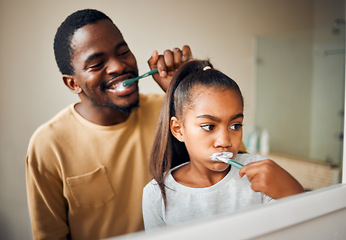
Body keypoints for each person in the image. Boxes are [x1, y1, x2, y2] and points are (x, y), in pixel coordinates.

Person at [25, 9, 193, 240]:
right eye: (96, 64)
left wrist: (189, 92)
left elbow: (230, 168)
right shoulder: (48, 145)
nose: (118, 67)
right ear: (73, 83)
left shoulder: (170, 111)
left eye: (123, 52)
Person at [142, 60, 305, 230]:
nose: (225, 142)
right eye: (209, 127)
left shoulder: (261, 174)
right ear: (178, 129)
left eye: (235, 126)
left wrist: (291, 191)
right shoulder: (156, 196)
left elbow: (304, 229)